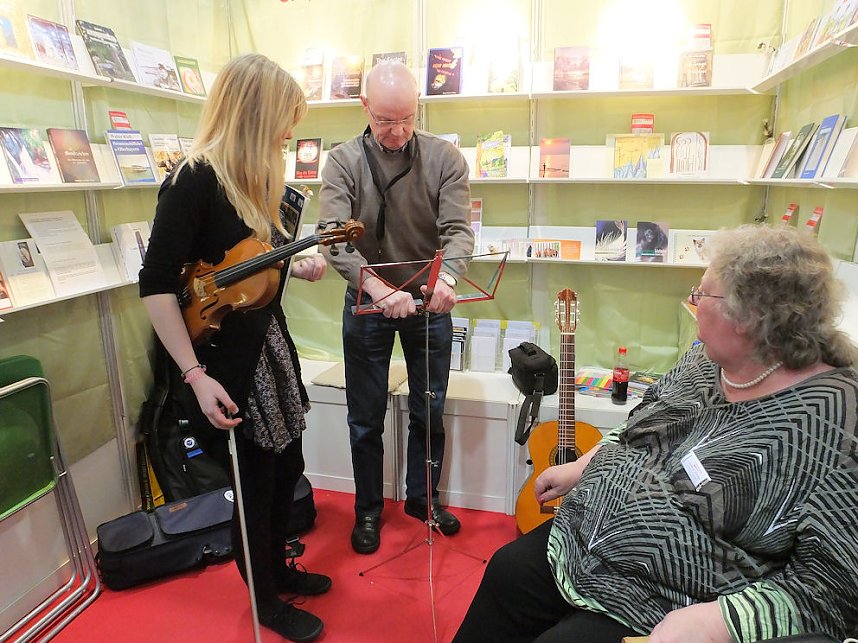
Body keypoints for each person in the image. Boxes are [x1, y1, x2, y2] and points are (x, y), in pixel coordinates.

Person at [454, 224, 858, 643]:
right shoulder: (707, 358)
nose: (693, 301)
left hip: (668, 600)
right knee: (507, 571)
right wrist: (585, 463)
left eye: (702, 294)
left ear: (750, 317)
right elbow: (642, 425)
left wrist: (718, 623)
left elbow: (830, 591)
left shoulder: (836, 419)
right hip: (582, 538)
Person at [139, 53, 330, 643]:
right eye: (281, 119)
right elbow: (155, 286)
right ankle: (266, 600)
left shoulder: (256, 179)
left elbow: (246, 266)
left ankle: (278, 568)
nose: (287, 133)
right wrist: (195, 375)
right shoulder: (192, 178)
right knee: (254, 482)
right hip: (222, 360)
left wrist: (297, 266)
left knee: (286, 466)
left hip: (268, 346)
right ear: (252, 114)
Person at [318, 61, 475, 554]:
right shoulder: (342, 161)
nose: (398, 130)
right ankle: (367, 509)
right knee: (364, 416)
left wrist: (448, 278)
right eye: (386, 120)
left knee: (429, 408)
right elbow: (332, 240)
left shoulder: (445, 157)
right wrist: (379, 291)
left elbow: (458, 232)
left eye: (407, 118)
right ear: (365, 108)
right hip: (368, 300)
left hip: (429, 299)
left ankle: (423, 500)